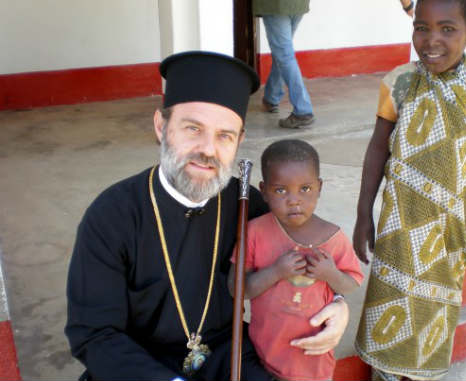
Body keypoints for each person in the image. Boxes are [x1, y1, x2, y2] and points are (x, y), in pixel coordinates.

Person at [65, 51, 350, 381]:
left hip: (225, 353)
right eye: (192, 128)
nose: (208, 150)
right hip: (138, 364)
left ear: (239, 140)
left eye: (224, 136)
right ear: (161, 126)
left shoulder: (248, 204)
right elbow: (94, 335)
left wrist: (338, 303)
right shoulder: (112, 214)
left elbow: (307, 254)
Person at [352, 0, 466, 380]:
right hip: (400, 223)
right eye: (421, 28)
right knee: (388, 301)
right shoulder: (400, 82)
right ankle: (385, 373)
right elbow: (377, 148)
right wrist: (363, 215)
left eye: (447, 29)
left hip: (450, 229)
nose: (431, 40)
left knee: (433, 310)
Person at [227, 139, 364, 381]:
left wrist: (330, 273)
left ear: (319, 187)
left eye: (305, 188)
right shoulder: (254, 232)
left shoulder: (333, 237)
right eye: (280, 190)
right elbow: (237, 288)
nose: (294, 199)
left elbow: (351, 283)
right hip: (264, 351)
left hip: (313, 356)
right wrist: (275, 272)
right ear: (265, 190)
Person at [254, 0, 315, 129]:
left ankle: (303, 111)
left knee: (284, 56)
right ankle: (271, 98)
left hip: (275, 5)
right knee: (282, 54)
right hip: (297, 5)